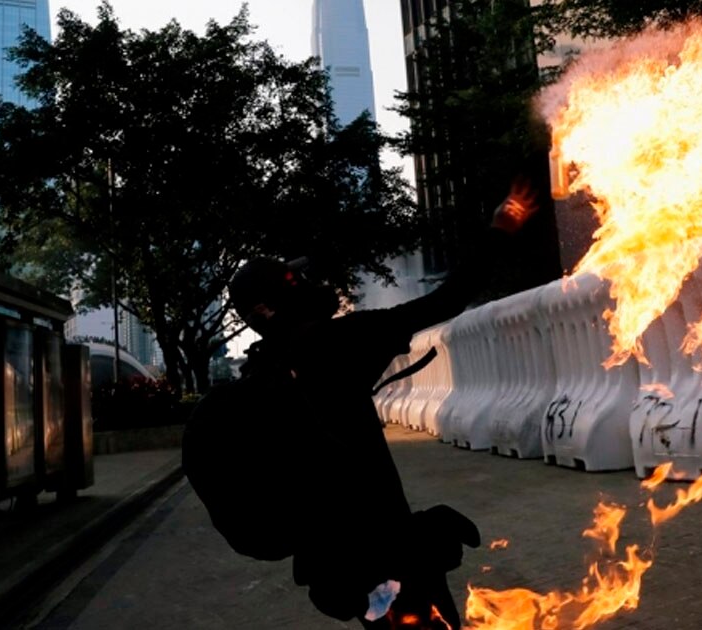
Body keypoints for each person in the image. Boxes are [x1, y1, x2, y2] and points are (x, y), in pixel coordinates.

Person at [217, 179, 538, 629]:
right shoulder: (336, 342)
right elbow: (446, 300)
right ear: (271, 307)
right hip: (386, 551)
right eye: (297, 281)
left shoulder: (262, 371)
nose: (310, 284)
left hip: (337, 565)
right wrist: (499, 230)